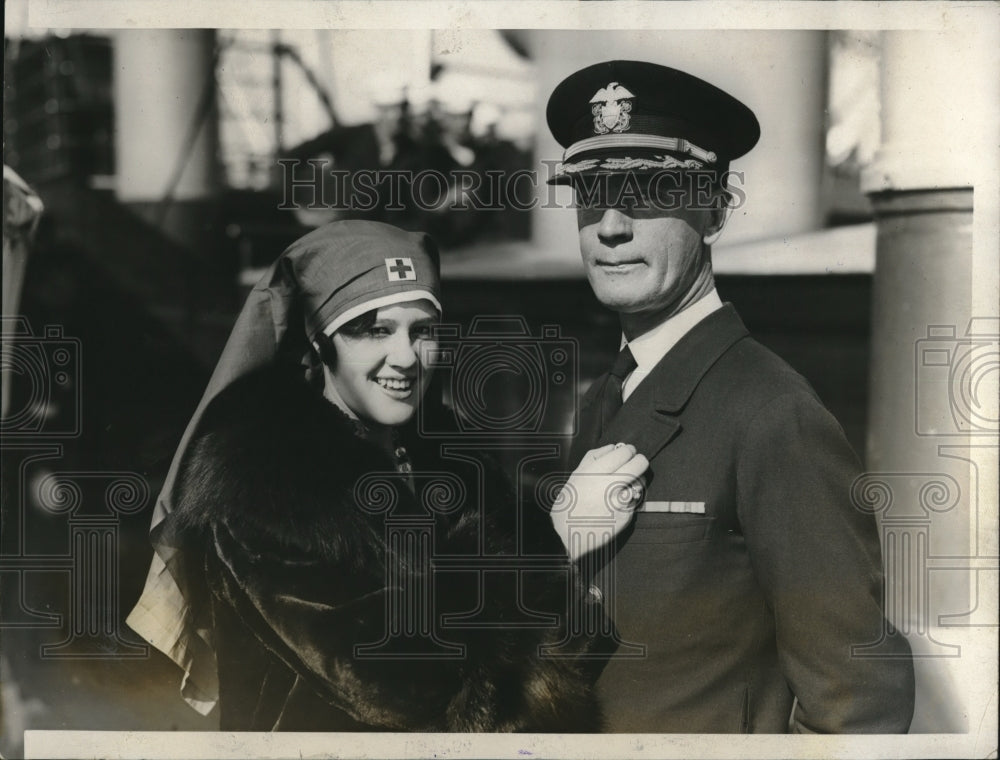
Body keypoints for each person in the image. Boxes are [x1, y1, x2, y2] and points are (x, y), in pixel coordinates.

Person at [126, 220, 645, 731]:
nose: (404, 357)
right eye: (372, 330)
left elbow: (557, 637)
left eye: (422, 331)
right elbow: (391, 684)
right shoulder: (260, 484)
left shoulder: (446, 454)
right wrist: (557, 544)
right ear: (319, 344)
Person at [544, 60, 915, 733]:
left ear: (714, 208)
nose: (610, 225)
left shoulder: (773, 413)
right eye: (591, 192)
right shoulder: (607, 393)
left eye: (648, 190)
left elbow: (858, 707)